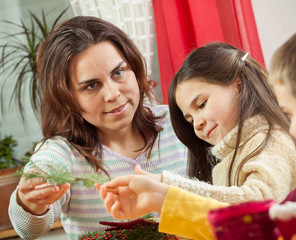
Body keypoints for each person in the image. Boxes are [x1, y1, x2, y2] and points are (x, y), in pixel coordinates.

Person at [99, 12, 296, 240]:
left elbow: (258, 205)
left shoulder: (273, 141)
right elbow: (262, 222)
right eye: (189, 120)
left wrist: (168, 192)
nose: (294, 130)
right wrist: (162, 197)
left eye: (201, 105)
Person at [8, 16, 188, 239]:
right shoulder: (62, 154)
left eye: (118, 73)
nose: (113, 94)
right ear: (67, 98)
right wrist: (28, 202)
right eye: (91, 85)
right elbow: (27, 228)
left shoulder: (182, 123)